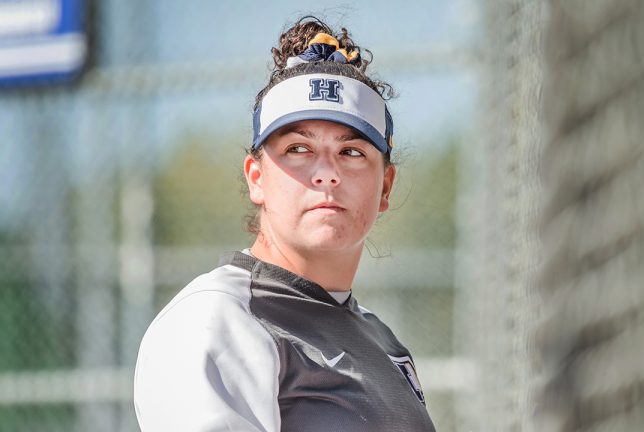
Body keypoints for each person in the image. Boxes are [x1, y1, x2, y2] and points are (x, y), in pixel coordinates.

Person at [133, 16, 436, 432]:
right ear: (256, 177)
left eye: (351, 152)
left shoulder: (379, 337)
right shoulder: (218, 318)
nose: (326, 173)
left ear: (385, 186)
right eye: (298, 148)